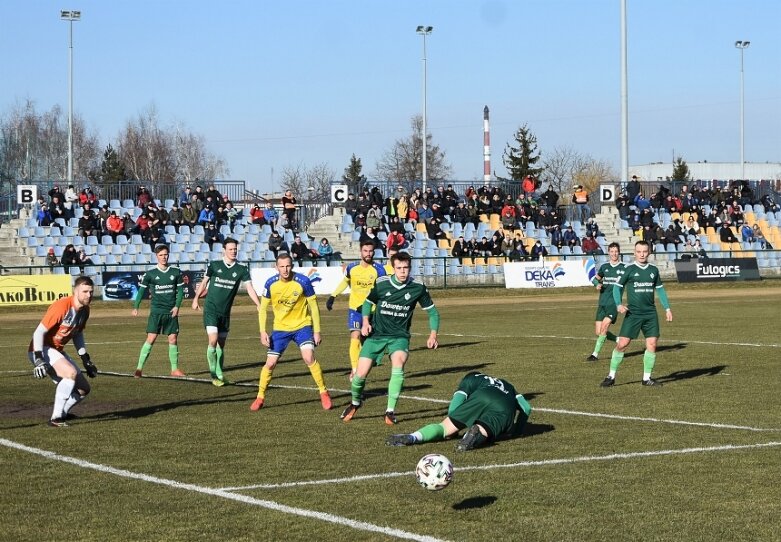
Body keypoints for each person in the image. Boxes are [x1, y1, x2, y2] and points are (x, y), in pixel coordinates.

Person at [340, 251, 439, 425]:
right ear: (392, 268)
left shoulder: (418, 286)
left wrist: (433, 335)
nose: (403, 271)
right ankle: (355, 403)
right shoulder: (382, 284)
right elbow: (368, 303)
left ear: (410, 268)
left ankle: (390, 411)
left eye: (406, 268)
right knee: (359, 377)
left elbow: (432, 312)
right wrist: (365, 322)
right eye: (399, 268)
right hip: (376, 335)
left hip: (399, 336)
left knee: (398, 365)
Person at [250, 254, 332, 411]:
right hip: (281, 329)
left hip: (303, 326)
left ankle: (324, 392)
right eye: (281, 266)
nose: (285, 269)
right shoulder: (270, 284)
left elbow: (314, 307)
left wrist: (317, 331)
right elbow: (263, 310)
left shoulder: (303, 281)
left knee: (308, 357)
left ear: (292, 266)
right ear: (276, 267)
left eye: (287, 266)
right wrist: (262, 331)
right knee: (270, 363)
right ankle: (260, 397)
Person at [386, 371, 532, 451]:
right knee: (484, 429)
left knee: (444, 428)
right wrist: (516, 433)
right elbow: (526, 407)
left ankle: (413, 437)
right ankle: (475, 433)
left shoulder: (469, 379)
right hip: (505, 404)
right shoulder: (507, 385)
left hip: (481, 395)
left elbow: (455, 405)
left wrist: (454, 426)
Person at [600, 240, 673, 388]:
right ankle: (611, 376)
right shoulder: (629, 269)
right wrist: (619, 304)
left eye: (645, 251)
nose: (642, 254)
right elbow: (616, 288)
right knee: (622, 344)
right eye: (639, 252)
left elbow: (660, 290)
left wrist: (667, 308)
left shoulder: (654, 270)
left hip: (650, 313)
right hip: (633, 313)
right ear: (634, 253)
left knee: (652, 344)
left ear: (649, 252)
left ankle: (646, 378)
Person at [27, 276, 98, 427]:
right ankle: (56, 419)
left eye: (91, 292)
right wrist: (39, 359)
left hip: (56, 351)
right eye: (85, 291)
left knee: (83, 389)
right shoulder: (62, 306)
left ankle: (63, 412)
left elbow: (77, 333)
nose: (89, 295)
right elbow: (38, 333)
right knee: (70, 373)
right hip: (41, 348)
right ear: (75, 291)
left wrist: (86, 359)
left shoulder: (85, 310)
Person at [192, 238, 261, 386]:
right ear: (224, 250)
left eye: (235, 249)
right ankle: (213, 375)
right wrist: (196, 298)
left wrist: (258, 304)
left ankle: (220, 373)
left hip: (225, 313)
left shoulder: (241, 269)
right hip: (211, 309)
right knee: (213, 340)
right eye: (230, 249)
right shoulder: (215, 265)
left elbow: (249, 288)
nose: (233, 251)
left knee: (221, 345)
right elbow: (204, 282)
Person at [325, 240, 386, 380]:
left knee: (369, 345)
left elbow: (383, 290)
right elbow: (345, 281)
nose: (368, 254)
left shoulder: (379, 270)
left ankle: (365, 366)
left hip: (372, 311)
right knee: (355, 337)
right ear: (361, 252)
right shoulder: (352, 268)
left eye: (370, 251)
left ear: (374, 252)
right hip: (355, 310)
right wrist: (333, 296)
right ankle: (354, 369)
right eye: (365, 251)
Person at [131, 245, 186, 378]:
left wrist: (177, 306)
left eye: (166, 254)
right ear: (156, 256)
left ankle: (174, 369)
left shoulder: (176, 272)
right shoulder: (150, 274)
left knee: (173, 339)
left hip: (171, 311)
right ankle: (139, 369)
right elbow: (141, 291)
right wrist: (136, 306)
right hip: (156, 311)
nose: (164, 257)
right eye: (161, 255)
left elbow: (180, 292)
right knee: (151, 338)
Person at [587, 242, 625, 361]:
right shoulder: (604, 267)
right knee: (599, 332)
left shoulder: (624, 268)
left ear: (619, 253)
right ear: (608, 253)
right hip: (602, 303)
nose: (614, 254)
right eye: (612, 251)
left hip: (613, 304)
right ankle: (618, 339)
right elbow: (594, 279)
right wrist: (597, 284)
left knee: (604, 327)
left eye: (616, 251)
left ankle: (595, 354)